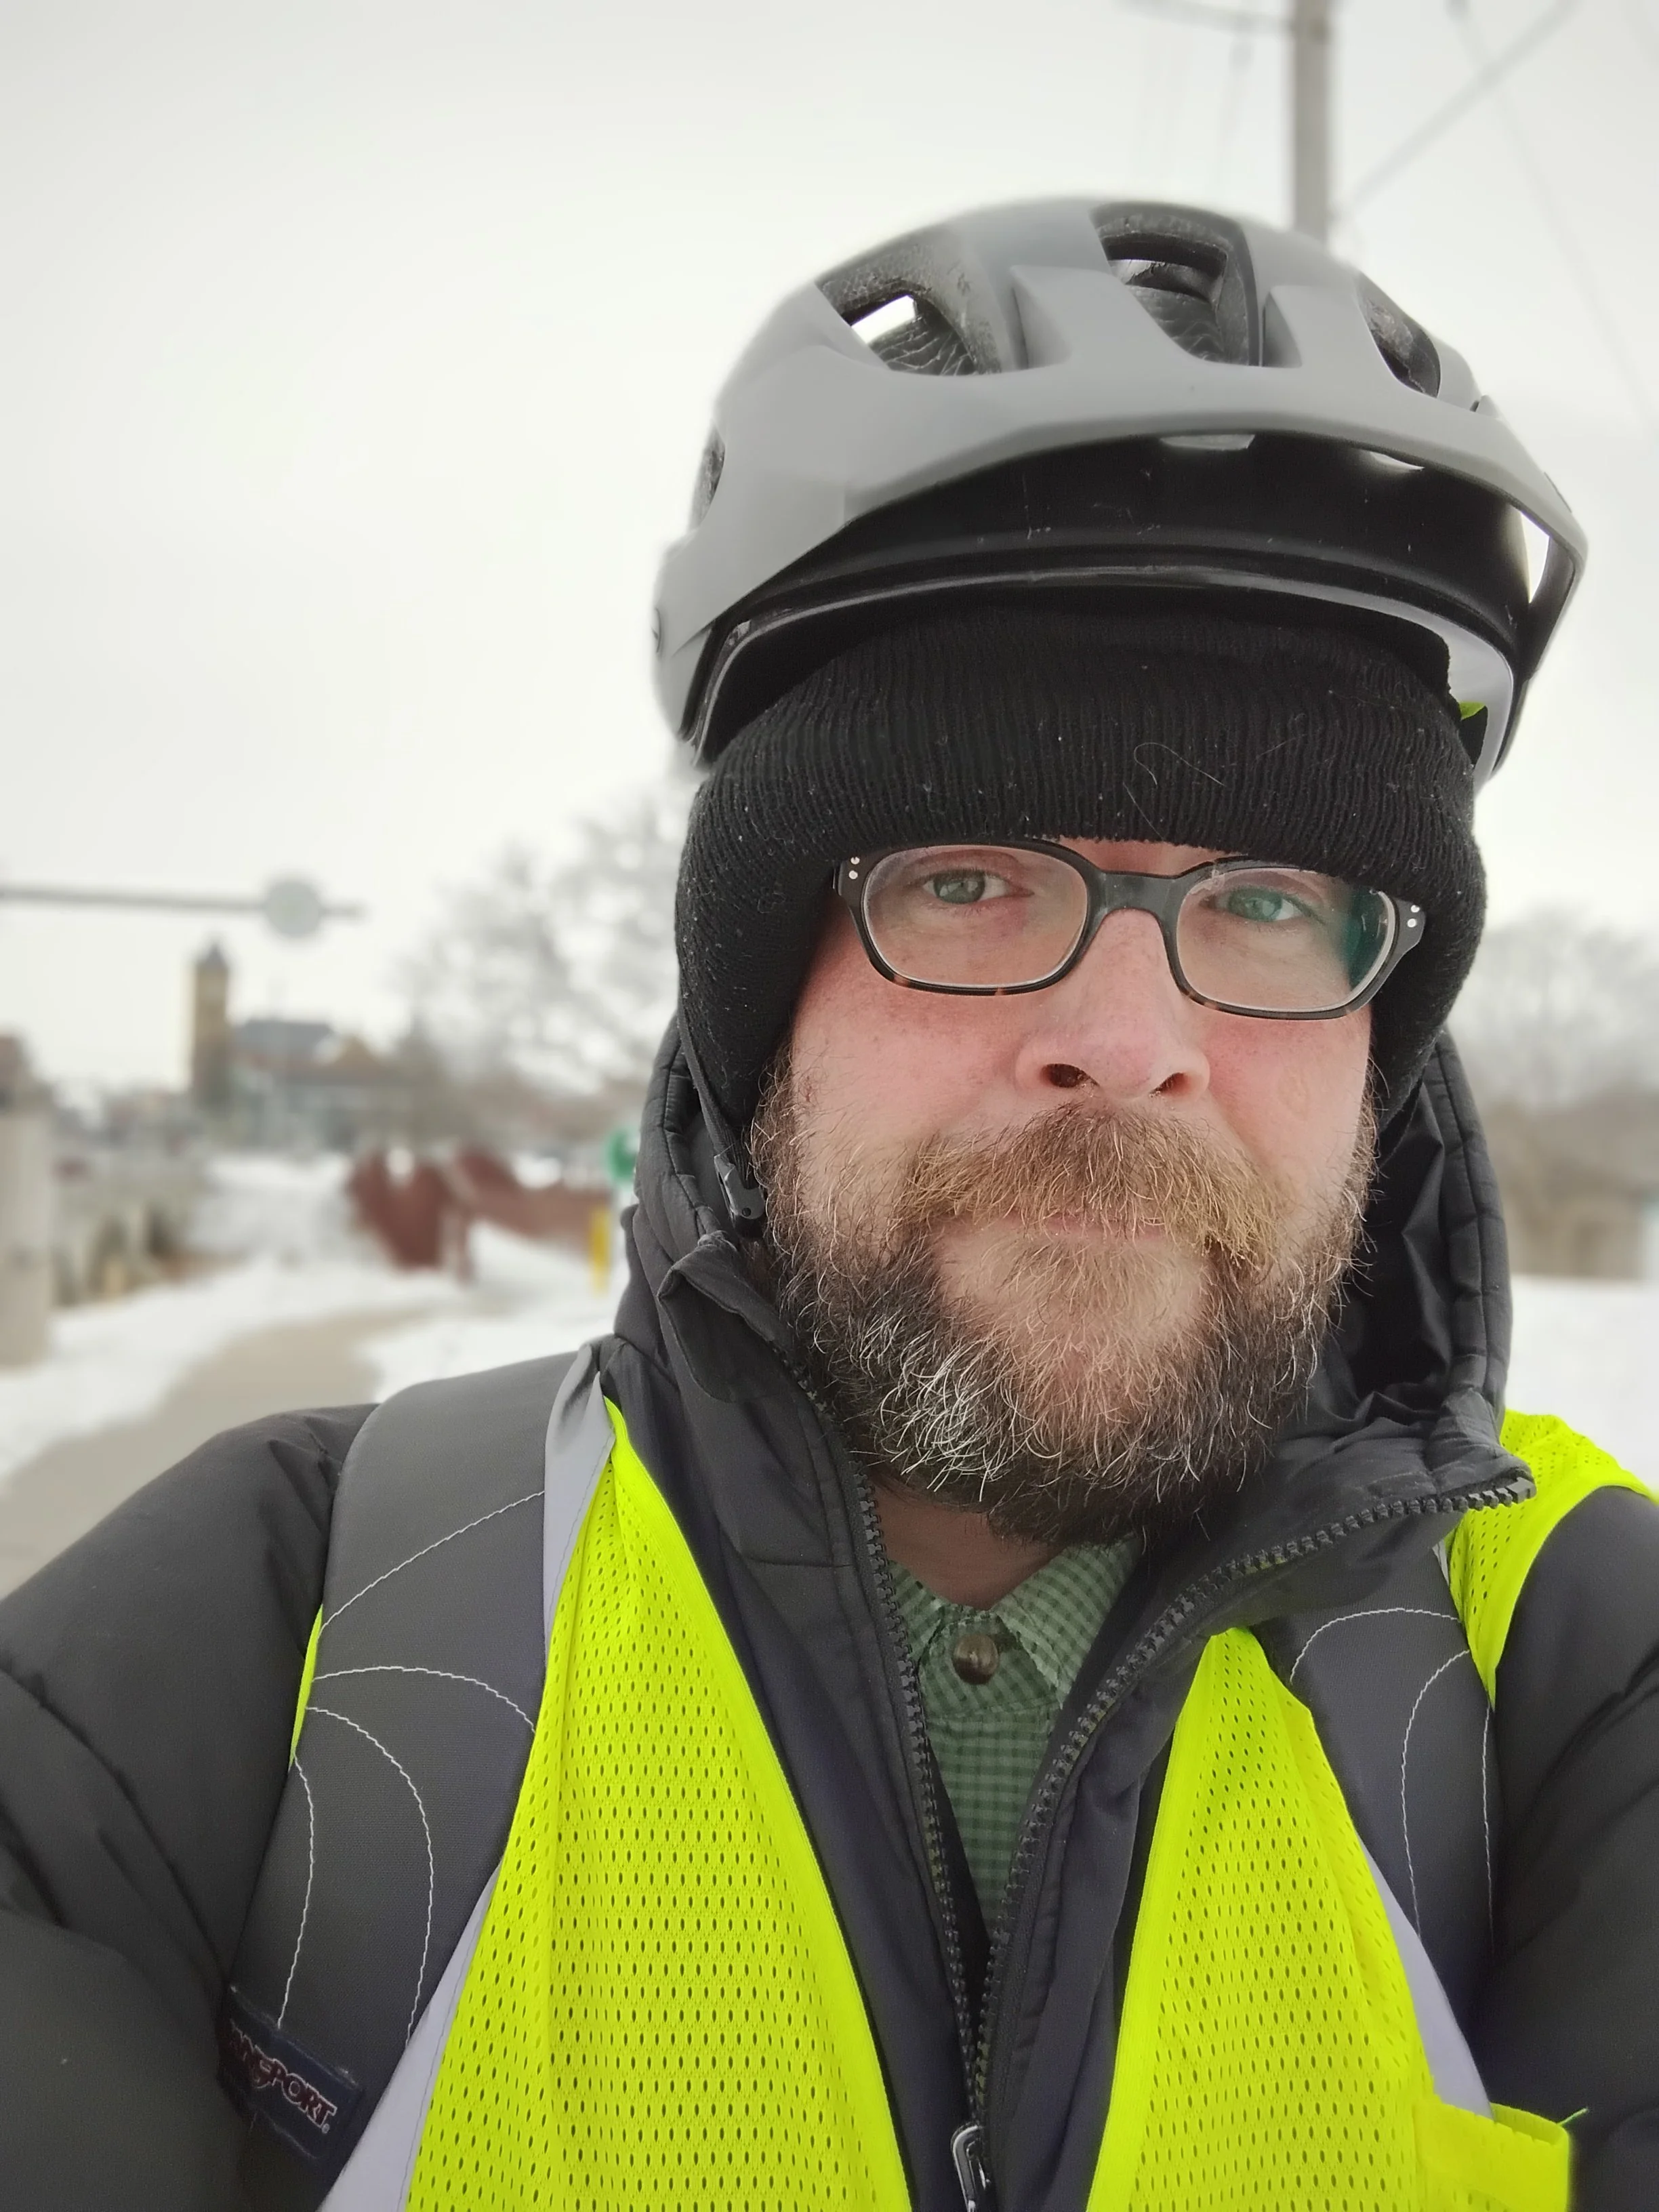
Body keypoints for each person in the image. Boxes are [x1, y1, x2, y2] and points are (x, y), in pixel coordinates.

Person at [1, 199, 1654, 2212]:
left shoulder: (1580, 1676)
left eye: (1273, 902)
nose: (1130, 1039)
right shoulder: (258, 1644)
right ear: (762, 999)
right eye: (970, 879)